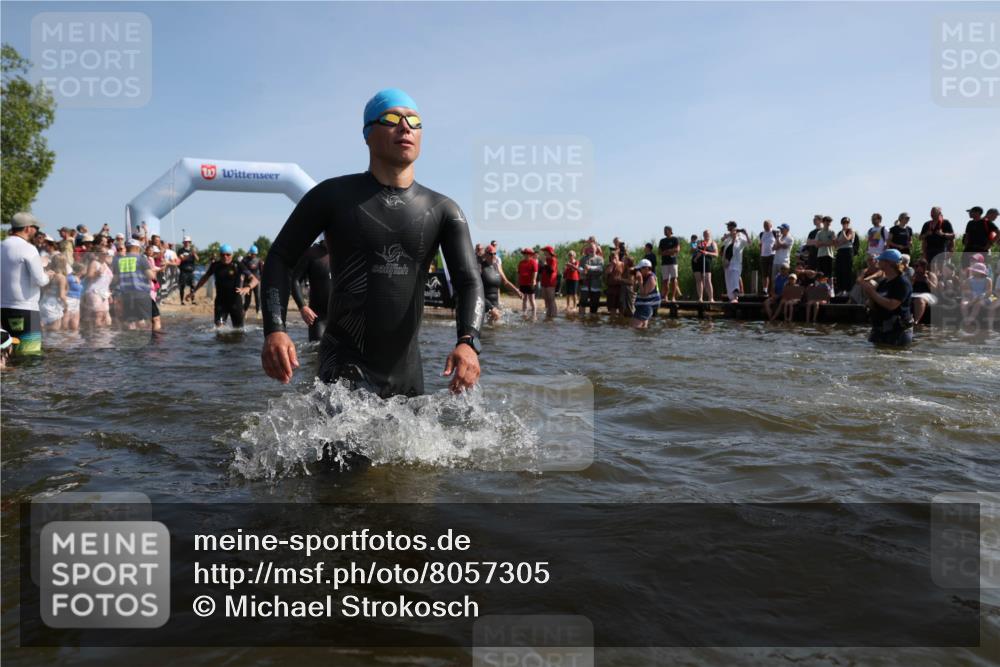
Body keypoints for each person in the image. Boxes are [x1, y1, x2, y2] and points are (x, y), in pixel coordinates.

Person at [259, 88, 484, 397]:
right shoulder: (332, 196)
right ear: (367, 133)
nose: (405, 127)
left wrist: (468, 341)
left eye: (414, 121)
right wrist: (275, 329)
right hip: (341, 371)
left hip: (408, 378)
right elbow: (280, 258)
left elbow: (468, 281)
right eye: (391, 118)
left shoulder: (443, 210)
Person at [1, 213, 50, 356]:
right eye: (36, 228)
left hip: (3, 309)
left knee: (7, 353)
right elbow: (40, 280)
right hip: (26, 309)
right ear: (28, 228)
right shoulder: (28, 248)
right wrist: (48, 274)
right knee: (30, 355)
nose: (37, 231)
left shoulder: (1, 245)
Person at [190, 244, 256, 328]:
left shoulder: (237, 265)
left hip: (235, 302)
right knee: (219, 329)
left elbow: (255, 280)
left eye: (228, 254)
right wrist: (194, 291)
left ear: (232, 255)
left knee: (239, 330)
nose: (225, 257)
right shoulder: (216, 265)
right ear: (220, 255)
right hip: (221, 303)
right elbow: (204, 278)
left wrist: (248, 287)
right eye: (222, 255)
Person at [858, 249, 913, 346]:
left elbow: (892, 305)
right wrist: (870, 294)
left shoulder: (902, 283)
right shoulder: (884, 282)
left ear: (888, 263)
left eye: (880, 260)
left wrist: (872, 292)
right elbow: (874, 303)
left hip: (897, 331)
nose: (877, 262)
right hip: (880, 329)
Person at [291, 239, 333, 341]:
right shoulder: (311, 253)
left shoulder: (346, 252)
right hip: (319, 318)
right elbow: (295, 280)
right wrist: (302, 306)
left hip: (342, 317)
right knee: (316, 353)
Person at [111, 239, 157, 330]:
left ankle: (131, 340)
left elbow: (115, 280)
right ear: (137, 248)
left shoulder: (119, 261)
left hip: (126, 295)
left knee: (130, 322)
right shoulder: (141, 259)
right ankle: (151, 342)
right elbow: (151, 276)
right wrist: (155, 277)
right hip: (141, 294)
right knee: (152, 320)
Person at [39, 254, 68, 332]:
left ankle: (42, 335)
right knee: (55, 329)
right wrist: (66, 305)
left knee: (47, 327)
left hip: (43, 302)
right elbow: (62, 295)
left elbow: (43, 289)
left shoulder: (49, 274)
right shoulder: (61, 277)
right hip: (53, 304)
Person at [721, 222, 748, 302]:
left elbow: (749, 243)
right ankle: (732, 298)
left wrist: (745, 233)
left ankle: (736, 296)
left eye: (729, 226)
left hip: (736, 262)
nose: (728, 227)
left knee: (735, 278)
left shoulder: (741, 237)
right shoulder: (728, 237)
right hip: (727, 262)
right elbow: (724, 247)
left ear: (733, 227)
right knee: (728, 281)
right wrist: (729, 236)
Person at [960, 262, 993, 330]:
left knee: (977, 304)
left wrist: (979, 297)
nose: (972, 271)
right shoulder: (969, 280)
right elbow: (968, 291)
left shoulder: (988, 280)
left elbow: (988, 292)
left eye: (974, 270)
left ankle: (969, 322)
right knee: (963, 303)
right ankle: (966, 319)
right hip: (973, 297)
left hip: (986, 297)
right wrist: (972, 298)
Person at [631, 259, 659, 329]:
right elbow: (634, 290)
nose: (638, 271)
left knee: (635, 327)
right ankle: (644, 339)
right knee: (643, 328)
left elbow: (644, 294)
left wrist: (640, 281)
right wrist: (635, 280)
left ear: (646, 268)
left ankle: (639, 339)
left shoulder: (651, 278)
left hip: (647, 305)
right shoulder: (643, 277)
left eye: (640, 269)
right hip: (642, 305)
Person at [578, 242, 604, 314]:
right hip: (585, 284)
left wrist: (590, 268)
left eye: (593, 248)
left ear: (596, 249)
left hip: (595, 284)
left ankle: (592, 322)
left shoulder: (600, 259)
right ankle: (582, 320)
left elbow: (601, 268)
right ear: (588, 249)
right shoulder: (583, 259)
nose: (591, 249)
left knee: (594, 306)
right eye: (590, 248)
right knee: (582, 303)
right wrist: (582, 270)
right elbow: (579, 268)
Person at [910, 259, 938, 325]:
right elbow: (908, 288)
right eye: (914, 266)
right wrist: (913, 281)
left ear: (923, 266)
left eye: (917, 266)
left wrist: (927, 280)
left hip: (927, 295)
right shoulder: (914, 275)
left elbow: (935, 290)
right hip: (914, 294)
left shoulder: (931, 275)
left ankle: (916, 321)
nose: (915, 268)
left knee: (920, 299)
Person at [693, 230, 717, 302]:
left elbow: (716, 254)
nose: (706, 235)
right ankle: (700, 298)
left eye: (707, 234)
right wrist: (695, 245)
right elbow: (693, 249)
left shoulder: (713, 243)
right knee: (698, 280)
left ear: (710, 234)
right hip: (697, 262)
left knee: (708, 280)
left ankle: (711, 298)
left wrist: (707, 253)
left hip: (707, 262)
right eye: (704, 234)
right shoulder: (700, 242)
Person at [658, 226, 680, 301]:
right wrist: (670, 251)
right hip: (664, 263)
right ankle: (665, 296)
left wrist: (667, 251)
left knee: (674, 279)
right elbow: (659, 252)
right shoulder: (662, 240)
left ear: (670, 230)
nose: (664, 231)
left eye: (665, 230)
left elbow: (677, 249)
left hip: (673, 262)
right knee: (665, 280)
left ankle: (673, 297)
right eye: (664, 230)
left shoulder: (674, 239)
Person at [834, 217, 856, 296]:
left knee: (847, 270)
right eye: (843, 222)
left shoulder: (850, 231)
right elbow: (836, 244)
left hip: (847, 251)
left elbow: (847, 239)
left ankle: (847, 290)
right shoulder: (839, 232)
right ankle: (841, 289)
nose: (845, 224)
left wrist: (844, 232)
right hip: (840, 251)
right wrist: (840, 241)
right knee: (839, 270)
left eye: (847, 222)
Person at [241, 244, 263, 314]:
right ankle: (244, 311)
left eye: (255, 254)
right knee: (247, 300)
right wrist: (241, 276)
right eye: (252, 254)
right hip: (247, 282)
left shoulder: (259, 260)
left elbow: (262, 271)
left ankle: (258, 312)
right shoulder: (245, 260)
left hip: (256, 282)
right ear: (250, 253)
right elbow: (241, 269)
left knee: (258, 297)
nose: (253, 255)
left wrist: (260, 279)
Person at [176, 236, 199, 304]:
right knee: (182, 286)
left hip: (191, 271)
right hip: (183, 271)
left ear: (190, 243)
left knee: (193, 286)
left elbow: (198, 259)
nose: (187, 243)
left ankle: (193, 300)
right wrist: (189, 254)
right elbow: (182, 259)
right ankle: (182, 301)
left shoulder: (192, 250)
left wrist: (194, 253)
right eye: (185, 242)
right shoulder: (181, 250)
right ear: (183, 243)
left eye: (188, 242)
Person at [517, 247, 539, 316]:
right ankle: (524, 313)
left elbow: (535, 272)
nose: (526, 255)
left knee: (531, 299)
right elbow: (518, 273)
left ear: (530, 254)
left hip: (530, 283)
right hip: (522, 283)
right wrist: (517, 282)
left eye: (528, 254)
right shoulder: (521, 263)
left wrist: (533, 280)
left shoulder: (533, 262)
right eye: (525, 254)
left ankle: (534, 314)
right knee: (524, 299)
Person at [539, 245, 559, 318]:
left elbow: (551, 271)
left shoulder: (553, 259)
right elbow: (540, 271)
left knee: (551, 299)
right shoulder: (545, 260)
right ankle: (548, 315)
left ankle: (553, 315)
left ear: (549, 252)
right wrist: (541, 264)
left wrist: (544, 263)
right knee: (546, 299)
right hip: (544, 281)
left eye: (545, 251)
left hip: (550, 282)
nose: (544, 252)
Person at [758, 220, 777, 295]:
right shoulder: (761, 234)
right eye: (764, 225)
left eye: (767, 225)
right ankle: (765, 289)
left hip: (772, 255)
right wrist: (760, 253)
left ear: (771, 225)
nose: (765, 226)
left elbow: (778, 243)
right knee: (764, 274)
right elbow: (760, 244)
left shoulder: (774, 233)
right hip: (763, 256)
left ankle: (772, 290)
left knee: (771, 274)